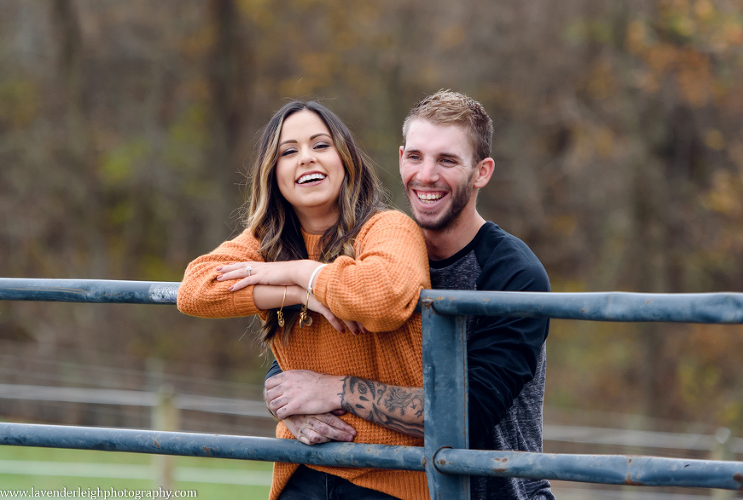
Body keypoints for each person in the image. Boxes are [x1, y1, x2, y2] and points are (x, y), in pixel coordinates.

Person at [265, 90, 555, 499]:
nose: (426, 175)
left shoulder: (512, 274)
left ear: (482, 172)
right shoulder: (373, 250)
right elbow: (297, 361)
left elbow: (466, 416)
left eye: (448, 160)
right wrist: (290, 405)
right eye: (416, 157)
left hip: (495, 492)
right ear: (401, 159)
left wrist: (335, 390)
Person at [176, 100, 431, 500]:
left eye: (320, 145)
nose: (306, 159)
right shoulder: (266, 243)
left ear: (345, 158)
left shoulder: (387, 228)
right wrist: (301, 295)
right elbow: (195, 289)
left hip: (390, 475)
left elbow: (381, 297)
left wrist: (299, 273)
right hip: (301, 468)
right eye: (288, 151)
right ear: (273, 173)